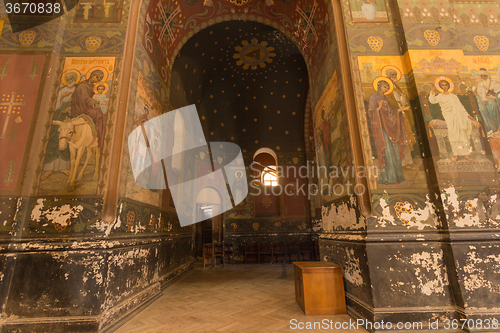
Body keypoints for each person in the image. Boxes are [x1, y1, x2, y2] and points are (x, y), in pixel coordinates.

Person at [368, 79, 408, 184]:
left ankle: (397, 177)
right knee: (387, 151)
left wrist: (399, 110)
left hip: (390, 127)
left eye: (388, 87)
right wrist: (379, 108)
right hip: (381, 129)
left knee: (394, 150)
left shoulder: (385, 97)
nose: (387, 89)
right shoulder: (373, 97)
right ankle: (389, 177)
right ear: (380, 86)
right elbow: (371, 113)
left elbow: (390, 112)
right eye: (386, 87)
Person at [42, 72, 78, 180]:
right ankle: (49, 168)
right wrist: (62, 96)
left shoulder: (77, 91)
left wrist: (70, 109)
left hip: (69, 116)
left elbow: (80, 104)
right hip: (58, 115)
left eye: (72, 78)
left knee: (67, 140)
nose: (70, 80)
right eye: (68, 78)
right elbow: (56, 103)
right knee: (53, 139)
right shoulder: (61, 90)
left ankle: (64, 167)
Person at [428, 79, 474, 163]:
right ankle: (456, 154)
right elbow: (432, 101)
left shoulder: (453, 96)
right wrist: (433, 90)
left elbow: (460, 106)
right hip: (449, 117)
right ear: (440, 87)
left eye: (446, 85)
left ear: (448, 86)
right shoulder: (440, 96)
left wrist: (468, 115)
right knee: (453, 134)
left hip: (459, 116)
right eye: (442, 85)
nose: (444, 87)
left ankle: (465, 154)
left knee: (462, 134)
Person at [386, 69, 416, 169]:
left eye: (395, 74)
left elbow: (403, 100)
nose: (394, 76)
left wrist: (402, 95)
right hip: (394, 117)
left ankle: (406, 163)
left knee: (405, 139)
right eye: (392, 74)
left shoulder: (397, 87)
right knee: (398, 139)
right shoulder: (387, 90)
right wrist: (399, 109)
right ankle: (399, 163)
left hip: (402, 115)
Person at [70, 69, 107, 150]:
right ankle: (96, 135)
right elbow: (85, 99)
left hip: (86, 106)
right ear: (92, 75)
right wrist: (96, 102)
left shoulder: (91, 87)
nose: (96, 79)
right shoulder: (83, 85)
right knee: (98, 113)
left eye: (98, 79)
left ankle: (97, 137)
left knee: (101, 113)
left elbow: (92, 97)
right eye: (96, 77)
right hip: (80, 108)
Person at [476, 68, 500, 136]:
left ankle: (498, 130)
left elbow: (498, 92)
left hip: (494, 104)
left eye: (484, 76)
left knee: (496, 117)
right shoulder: (480, 85)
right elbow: (479, 97)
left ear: (487, 76)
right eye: (482, 76)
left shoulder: (494, 83)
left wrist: (495, 97)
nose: (483, 77)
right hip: (485, 105)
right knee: (488, 118)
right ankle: (492, 132)